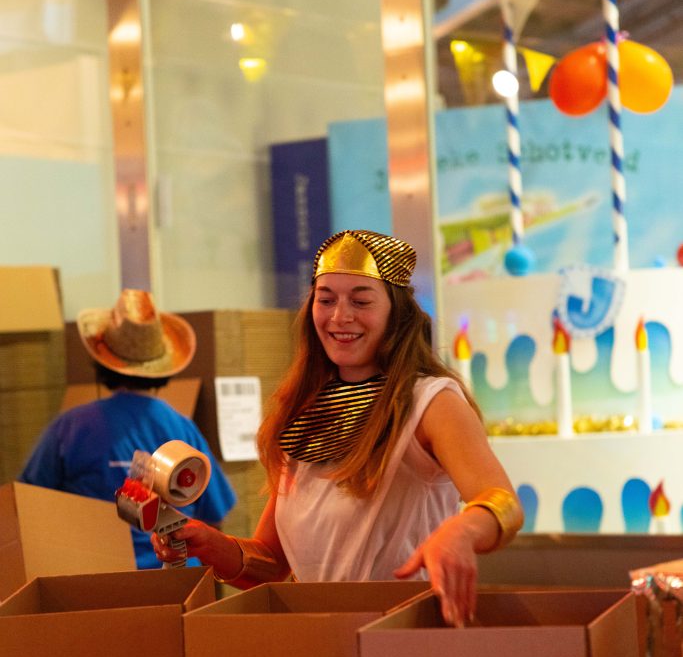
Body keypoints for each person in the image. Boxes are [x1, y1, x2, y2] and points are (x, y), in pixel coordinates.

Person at [152, 230, 523, 624]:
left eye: (361, 301)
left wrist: (461, 531)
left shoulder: (430, 401)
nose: (339, 317)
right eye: (326, 299)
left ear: (397, 313)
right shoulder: (305, 409)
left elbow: (503, 502)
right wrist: (210, 544)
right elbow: (272, 562)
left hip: (403, 634)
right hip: (318, 638)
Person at [19, 288, 237, 569]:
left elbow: (29, 506)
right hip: (179, 580)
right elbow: (214, 517)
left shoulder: (70, 428)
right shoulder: (184, 429)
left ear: (102, 362)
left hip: (96, 579)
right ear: (162, 365)